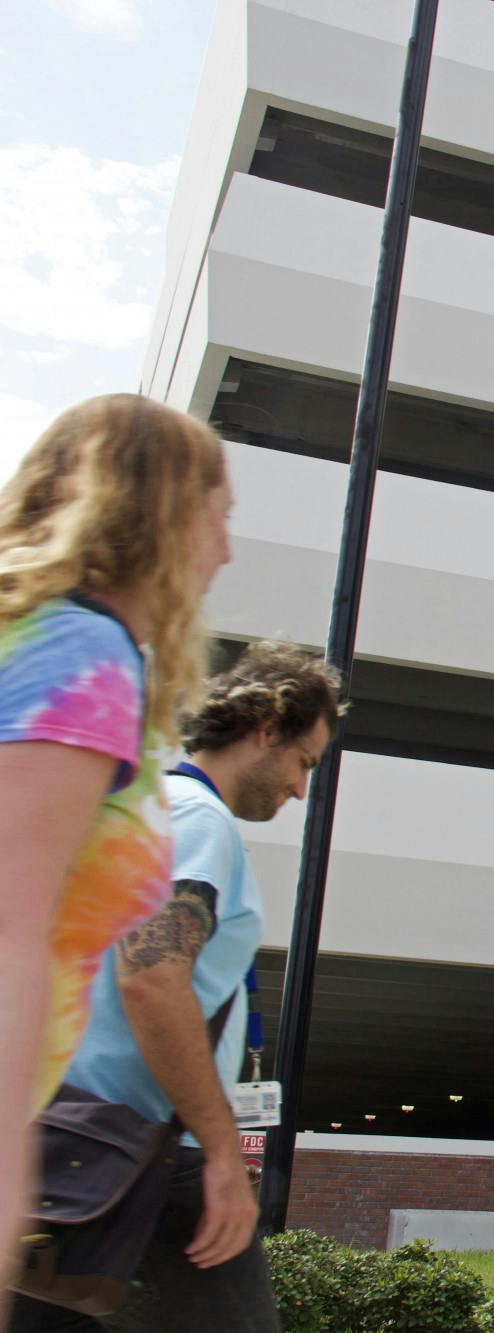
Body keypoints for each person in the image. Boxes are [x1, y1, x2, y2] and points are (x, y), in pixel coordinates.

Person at [14, 643, 341, 1333]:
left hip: (65, 1145)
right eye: (302, 762)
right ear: (265, 727)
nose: (299, 789)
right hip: (152, 1159)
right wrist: (224, 1152)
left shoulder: (131, 810)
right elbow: (153, 975)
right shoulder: (199, 820)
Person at [1, 397, 229, 1316]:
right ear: (165, 514)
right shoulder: (83, 650)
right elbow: (10, 931)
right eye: (220, 513)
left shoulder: (50, 638)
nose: (226, 548)